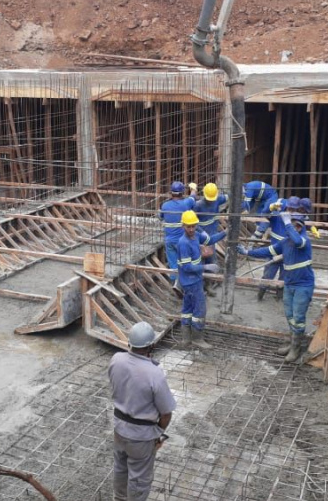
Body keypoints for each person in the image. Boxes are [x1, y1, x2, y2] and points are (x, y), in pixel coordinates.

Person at [109, 321, 176, 501]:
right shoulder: (154, 374)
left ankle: (119, 498)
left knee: (121, 469)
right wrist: (159, 433)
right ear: (152, 345)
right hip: (141, 437)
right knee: (139, 478)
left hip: (119, 427)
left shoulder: (116, 359)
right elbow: (166, 413)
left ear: (130, 343)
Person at [238, 211, 315, 363]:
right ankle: (292, 342)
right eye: (290, 225)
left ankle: (296, 348)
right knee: (290, 315)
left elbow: (298, 241)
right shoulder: (285, 243)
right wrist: (248, 252)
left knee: (298, 318)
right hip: (290, 284)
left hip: (303, 286)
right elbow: (267, 251)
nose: (290, 228)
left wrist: (287, 223)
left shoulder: (304, 241)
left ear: (299, 227)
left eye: (294, 226)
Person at [178, 210, 219, 349]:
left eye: (193, 226)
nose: (191, 229)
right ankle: (197, 338)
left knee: (188, 309)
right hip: (191, 281)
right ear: (183, 226)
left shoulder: (196, 236)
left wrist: (226, 232)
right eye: (188, 226)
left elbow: (210, 240)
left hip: (191, 280)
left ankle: (186, 339)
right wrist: (206, 267)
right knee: (199, 309)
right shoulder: (183, 243)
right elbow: (187, 267)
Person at [256, 195, 299, 301]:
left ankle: (279, 296)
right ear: (286, 207)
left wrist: (312, 228)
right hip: (274, 253)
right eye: (290, 209)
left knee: (284, 277)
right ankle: (260, 294)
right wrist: (270, 208)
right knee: (268, 275)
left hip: (288, 255)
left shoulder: (297, 221)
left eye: (294, 210)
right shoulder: (278, 216)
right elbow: (264, 214)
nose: (291, 212)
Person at [159, 181, 196, 283]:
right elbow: (193, 197)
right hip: (182, 241)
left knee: (173, 264)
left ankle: (174, 282)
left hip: (169, 240)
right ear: (182, 193)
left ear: (171, 192)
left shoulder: (165, 205)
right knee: (185, 262)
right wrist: (193, 188)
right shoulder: (186, 203)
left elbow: (160, 217)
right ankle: (185, 282)